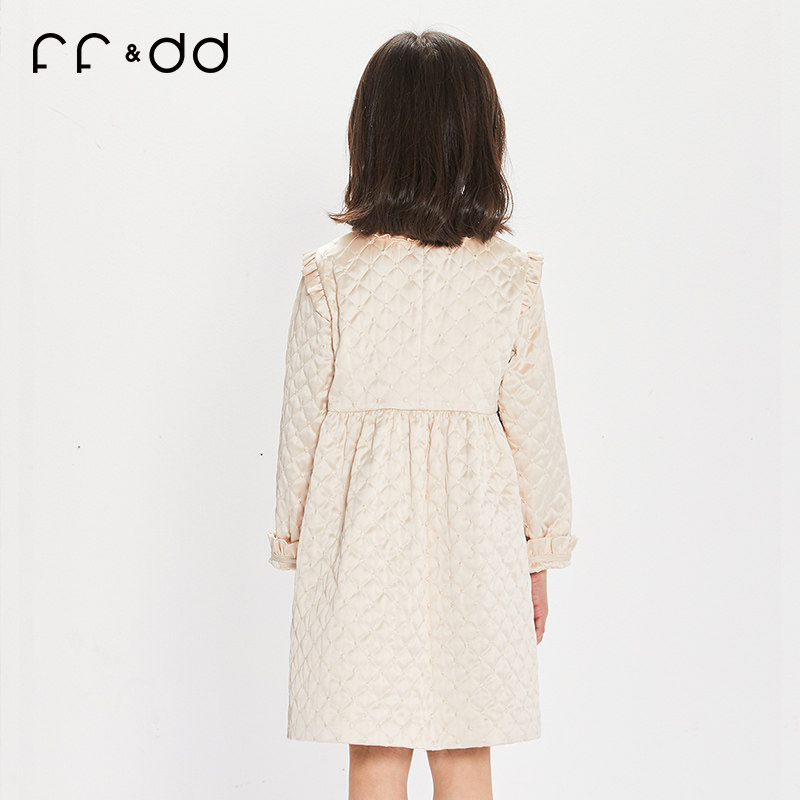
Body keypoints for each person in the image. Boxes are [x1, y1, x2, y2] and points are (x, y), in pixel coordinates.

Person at [266, 28, 578, 800]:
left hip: (360, 529)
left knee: (375, 749)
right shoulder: (509, 276)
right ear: (481, 137)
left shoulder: (332, 276)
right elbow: (533, 427)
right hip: (479, 529)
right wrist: (537, 554)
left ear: (370, 136)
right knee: (465, 749)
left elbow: (303, 419)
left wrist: (299, 540)